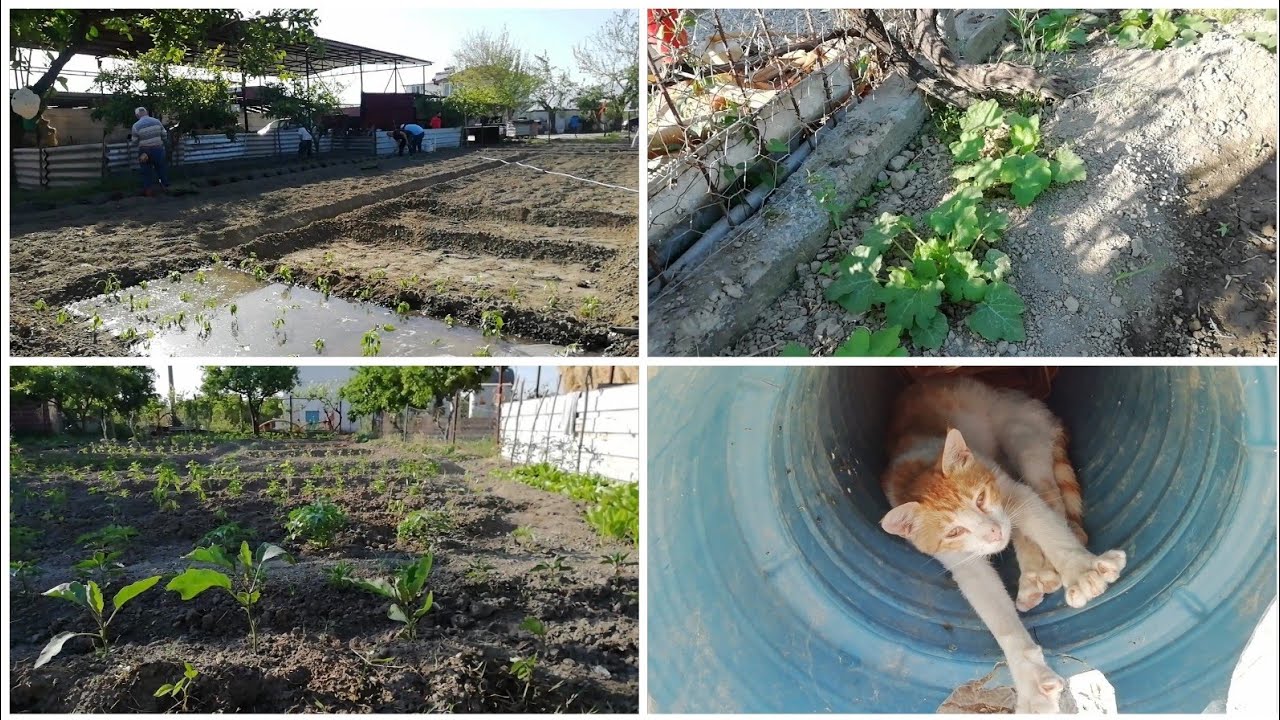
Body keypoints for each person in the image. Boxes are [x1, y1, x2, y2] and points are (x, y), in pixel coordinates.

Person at [131, 107, 169, 193]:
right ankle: (165, 187)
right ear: (146, 112)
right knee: (161, 169)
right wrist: (163, 141)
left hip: (144, 151)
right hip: (158, 149)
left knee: (146, 171)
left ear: (137, 115)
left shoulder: (136, 126)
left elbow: (134, 141)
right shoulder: (157, 122)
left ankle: (148, 191)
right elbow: (164, 134)